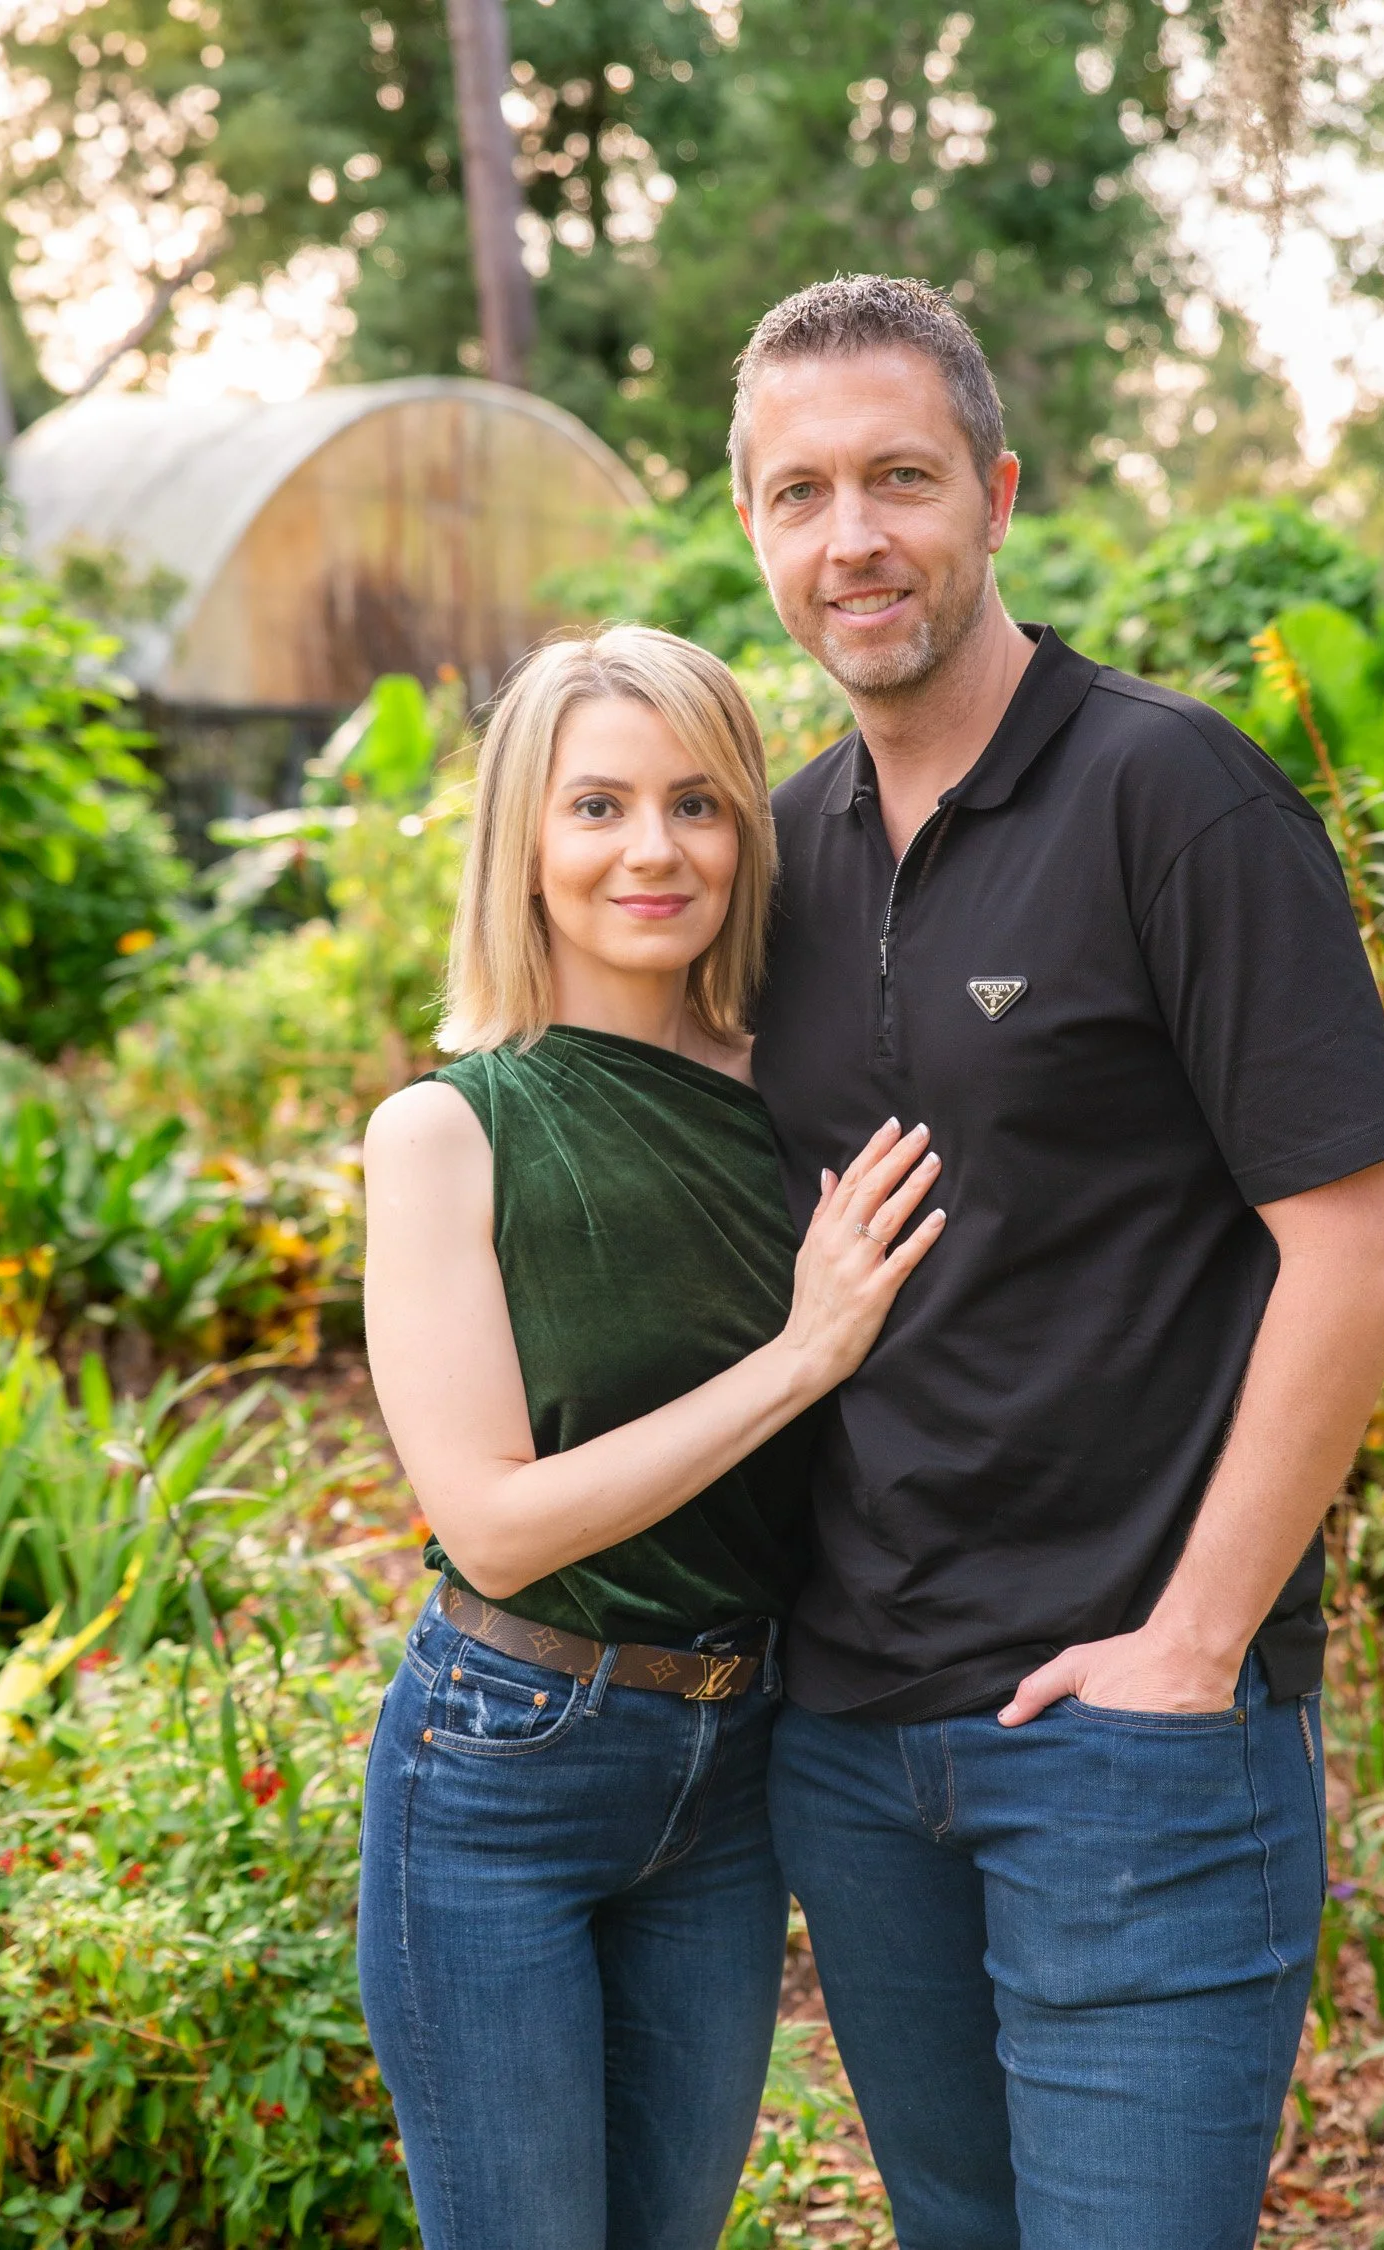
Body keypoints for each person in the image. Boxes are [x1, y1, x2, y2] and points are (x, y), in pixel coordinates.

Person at [730, 275, 1384, 2249]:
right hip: (859, 1753)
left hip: (1128, 1745)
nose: (852, 536)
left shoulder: (1169, 796)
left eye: (898, 478)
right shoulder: (781, 856)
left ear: (996, 493)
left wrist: (1192, 1649)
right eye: (800, 494)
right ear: (754, 537)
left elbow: (1367, 1247)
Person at [354, 623, 945, 2250]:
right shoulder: (449, 1131)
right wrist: (803, 1351)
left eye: (697, 802)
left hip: (735, 1763)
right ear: (524, 845)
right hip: (504, 1762)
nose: (652, 850)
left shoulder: (795, 1094)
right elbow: (494, 1519)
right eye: (596, 806)